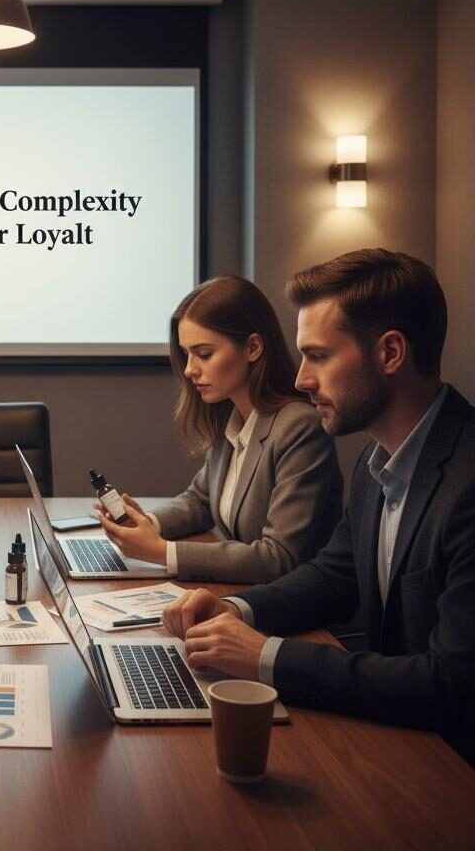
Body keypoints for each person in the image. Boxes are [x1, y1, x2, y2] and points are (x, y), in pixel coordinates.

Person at [162, 250, 475, 764]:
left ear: (390, 353)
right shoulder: (380, 461)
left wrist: (266, 656)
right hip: (394, 736)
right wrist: (235, 609)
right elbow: (333, 576)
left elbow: (449, 684)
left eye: (320, 356)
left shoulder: (467, 482)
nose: (303, 379)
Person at [97, 276, 342, 582]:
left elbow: (278, 557)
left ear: (252, 348)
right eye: (187, 354)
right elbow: (199, 501)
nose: (189, 370)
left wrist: (162, 551)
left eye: (204, 354)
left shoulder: (299, 428)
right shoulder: (233, 418)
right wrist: (146, 524)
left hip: (300, 617)